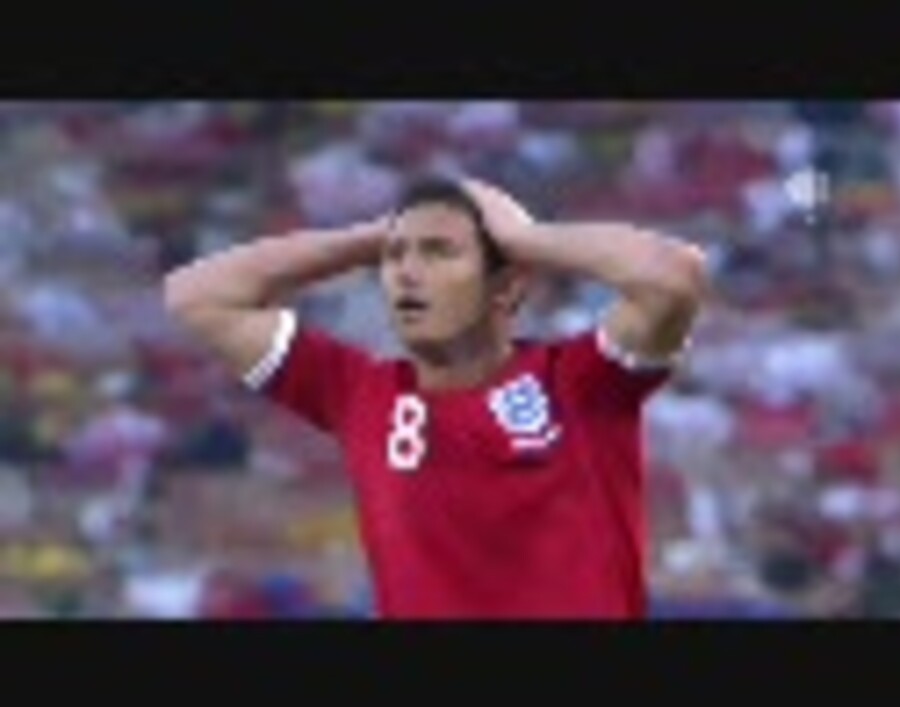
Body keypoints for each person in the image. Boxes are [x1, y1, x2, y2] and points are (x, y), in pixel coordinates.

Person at [164, 175, 707, 619]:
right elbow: (196, 294)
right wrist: (371, 237)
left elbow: (674, 275)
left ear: (507, 287)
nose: (407, 273)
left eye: (439, 252)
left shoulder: (579, 382)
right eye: (395, 257)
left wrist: (523, 236)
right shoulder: (358, 393)